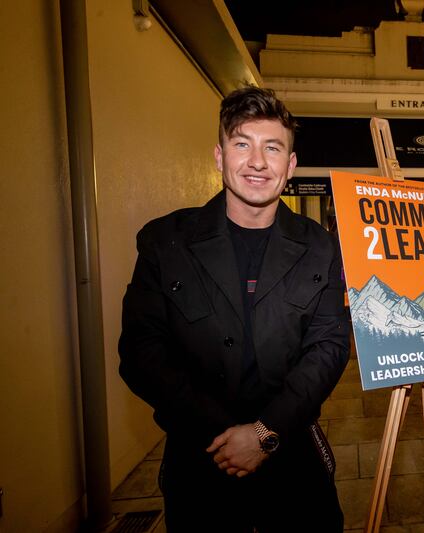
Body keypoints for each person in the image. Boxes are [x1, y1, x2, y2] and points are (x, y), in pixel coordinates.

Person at [118, 86, 350, 531]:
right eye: (242, 144)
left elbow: (328, 348)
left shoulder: (320, 247)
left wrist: (263, 434)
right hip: (199, 458)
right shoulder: (165, 243)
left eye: (273, 148)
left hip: (292, 454)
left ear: (291, 165)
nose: (258, 162)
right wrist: (229, 438)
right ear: (220, 157)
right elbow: (143, 355)